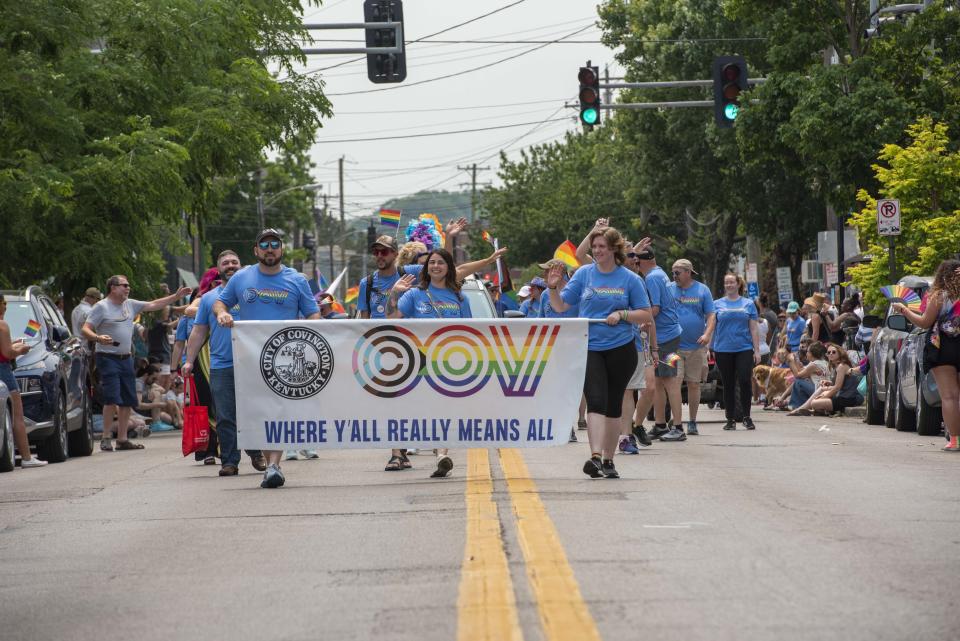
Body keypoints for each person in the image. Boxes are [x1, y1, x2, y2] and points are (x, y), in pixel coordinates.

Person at [210, 231, 320, 487]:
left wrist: (311, 331)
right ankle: (267, 461)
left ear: (282, 249)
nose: (270, 249)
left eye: (275, 244)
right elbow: (220, 303)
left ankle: (273, 465)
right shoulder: (241, 277)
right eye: (264, 245)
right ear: (256, 250)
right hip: (249, 357)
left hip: (284, 359)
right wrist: (222, 315)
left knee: (278, 410)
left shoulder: (297, 279)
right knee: (257, 412)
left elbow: (313, 314)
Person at [544, 227, 653, 479]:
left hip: (621, 348)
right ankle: (594, 456)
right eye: (594, 247)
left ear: (614, 249)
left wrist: (622, 314)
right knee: (595, 400)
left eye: (602, 246)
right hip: (590, 346)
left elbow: (646, 314)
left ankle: (608, 459)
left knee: (614, 405)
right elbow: (561, 306)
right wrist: (552, 289)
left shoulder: (629, 279)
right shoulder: (584, 274)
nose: (597, 251)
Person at [387, 248, 472, 478]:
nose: (436, 266)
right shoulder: (414, 294)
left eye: (441, 263)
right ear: (426, 268)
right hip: (416, 360)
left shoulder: (461, 298)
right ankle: (398, 451)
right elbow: (391, 318)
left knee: (443, 409)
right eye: (432, 263)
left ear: (449, 268)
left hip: (448, 362)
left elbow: (472, 331)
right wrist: (394, 294)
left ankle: (442, 455)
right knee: (410, 408)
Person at [183, 250, 267, 477]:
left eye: (234, 262)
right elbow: (198, 332)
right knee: (225, 415)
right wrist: (189, 361)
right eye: (226, 263)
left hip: (253, 364)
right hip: (221, 366)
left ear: (241, 266)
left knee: (252, 412)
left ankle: (257, 452)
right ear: (218, 269)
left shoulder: (253, 294)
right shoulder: (210, 298)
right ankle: (229, 461)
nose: (230, 265)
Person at [82, 276, 190, 451]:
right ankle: (106, 437)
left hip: (126, 358)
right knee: (111, 398)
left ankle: (123, 439)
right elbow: (85, 328)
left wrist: (175, 297)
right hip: (107, 357)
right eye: (124, 285)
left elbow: (153, 305)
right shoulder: (101, 307)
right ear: (112, 288)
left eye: (128, 285)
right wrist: (97, 337)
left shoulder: (130, 304)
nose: (128, 288)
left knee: (127, 400)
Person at [892, 259, 960, 451]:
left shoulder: (939, 296)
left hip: (942, 347)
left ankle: (955, 440)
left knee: (949, 397)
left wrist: (905, 310)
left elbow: (924, 322)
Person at [635, 246, 685, 442]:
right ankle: (660, 424)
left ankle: (678, 427)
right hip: (668, 334)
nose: (635, 266)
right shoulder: (660, 272)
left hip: (666, 337)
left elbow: (654, 309)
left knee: (670, 381)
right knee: (657, 381)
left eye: (636, 262)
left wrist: (637, 321)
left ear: (643, 262)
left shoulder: (652, 278)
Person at [0, 297, 48, 468]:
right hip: (3, 370)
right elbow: (7, 353)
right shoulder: (2, 324)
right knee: (17, 416)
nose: (5, 307)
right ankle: (27, 457)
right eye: (3, 303)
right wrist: (21, 349)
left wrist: (13, 344)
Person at [669, 259, 715, 436]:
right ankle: (677, 420)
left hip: (696, 347)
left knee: (694, 384)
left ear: (688, 272)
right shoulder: (668, 288)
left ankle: (693, 421)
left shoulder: (702, 290)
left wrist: (707, 334)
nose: (674, 276)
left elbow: (711, 315)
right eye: (673, 273)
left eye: (677, 273)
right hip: (672, 347)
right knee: (673, 383)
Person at [712, 273, 761, 431]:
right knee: (728, 384)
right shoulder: (717, 304)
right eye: (726, 283)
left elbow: (754, 328)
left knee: (745, 381)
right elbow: (712, 327)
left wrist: (757, 350)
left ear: (738, 284)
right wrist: (709, 348)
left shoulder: (748, 304)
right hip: (723, 349)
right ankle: (730, 419)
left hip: (744, 348)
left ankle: (746, 417)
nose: (729, 285)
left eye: (732, 282)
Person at [788, 343, 862, 416]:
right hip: (844, 396)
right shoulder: (835, 366)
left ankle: (803, 409)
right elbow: (840, 384)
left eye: (834, 352)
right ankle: (805, 409)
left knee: (815, 402)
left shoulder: (841, 366)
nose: (831, 354)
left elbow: (837, 388)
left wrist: (824, 397)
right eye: (829, 352)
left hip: (849, 398)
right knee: (820, 392)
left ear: (840, 353)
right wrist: (829, 383)